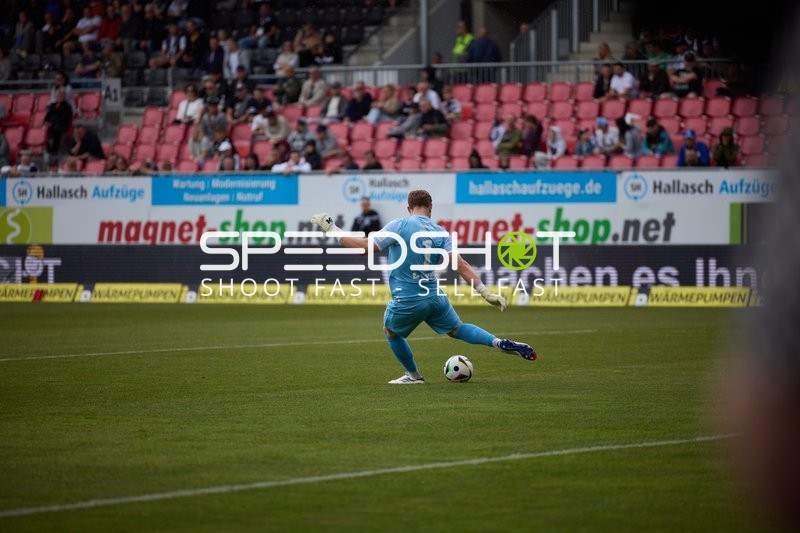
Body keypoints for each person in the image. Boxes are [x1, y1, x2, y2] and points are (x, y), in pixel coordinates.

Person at [309, 190, 536, 384]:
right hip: (435, 296)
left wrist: (332, 229)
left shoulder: (399, 225)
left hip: (408, 299)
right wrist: (485, 292)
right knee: (457, 328)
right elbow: (461, 265)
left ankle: (413, 376)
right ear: (430, 207)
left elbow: (363, 247)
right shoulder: (440, 233)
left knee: (391, 332)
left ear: (409, 208)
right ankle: (497, 342)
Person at [44, 88, 73, 156]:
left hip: (61, 124)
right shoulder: (52, 105)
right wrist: (46, 122)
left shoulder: (67, 106)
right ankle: (47, 149)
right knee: (41, 130)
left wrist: (52, 123)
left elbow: (64, 118)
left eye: (62, 95)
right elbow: (48, 115)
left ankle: (54, 150)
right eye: (58, 95)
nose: (60, 97)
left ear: (64, 96)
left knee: (56, 130)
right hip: (51, 124)